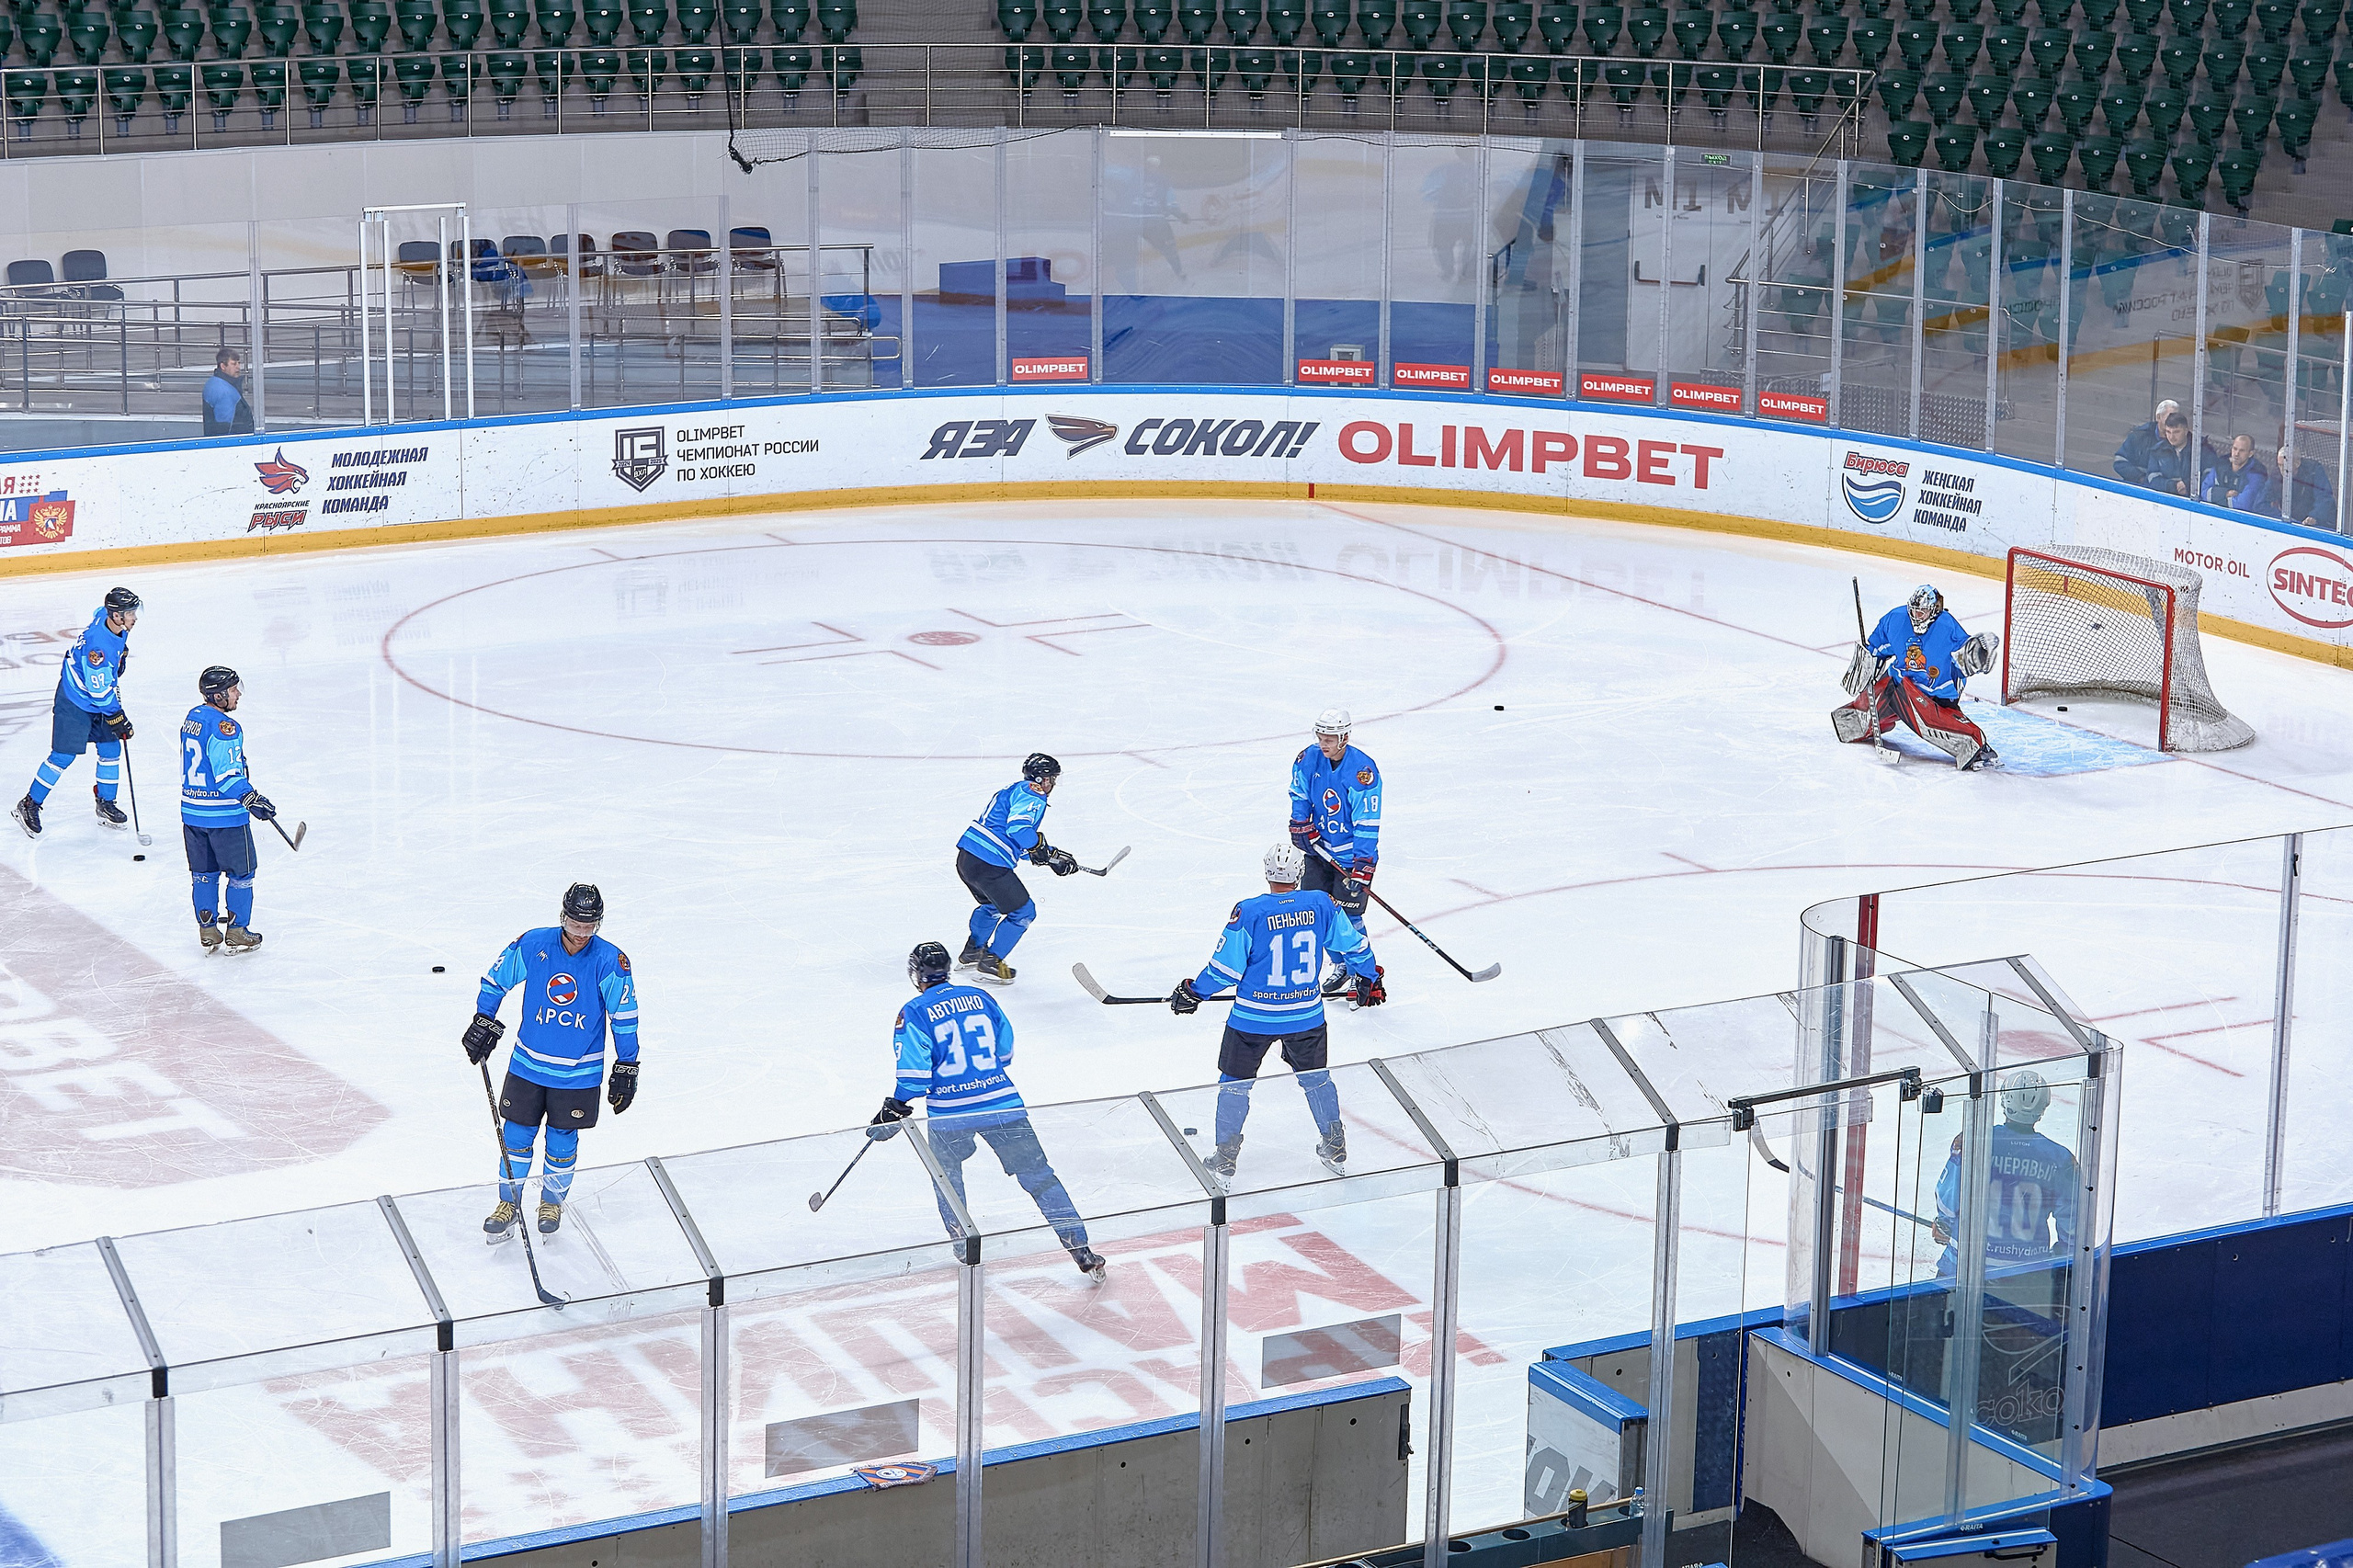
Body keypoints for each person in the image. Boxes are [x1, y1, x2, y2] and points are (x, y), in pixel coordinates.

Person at [870, 941, 1106, 1280]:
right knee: (1040, 1178)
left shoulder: (915, 1011)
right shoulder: (982, 998)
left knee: (947, 1179)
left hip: (952, 1117)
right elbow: (1005, 1051)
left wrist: (896, 1104)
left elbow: (914, 1076)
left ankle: (965, 1249)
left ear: (916, 975)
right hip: (1003, 1106)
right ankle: (1081, 1251)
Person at [1167, 844, 1384, 1187]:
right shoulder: (1321, 904)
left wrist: (1194, 992)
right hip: (1305, 1016)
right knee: (1317, 1079)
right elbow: (1354, 947)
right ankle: (1335, 1145)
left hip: (1253, 1019)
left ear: (1267, 872)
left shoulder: (1249, 912)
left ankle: (1225, 1158)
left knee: (1235, 1085)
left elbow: (1224, 970)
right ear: (1299, 872)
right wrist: (1369, 977)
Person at [463, 882, 641, 1240]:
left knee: (562, 1140)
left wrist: (628, 1064)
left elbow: (624, 1015)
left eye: (588, 926)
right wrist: (484, 1018)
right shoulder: (534, 943)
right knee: (515, 1135)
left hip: (579, 1074)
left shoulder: (611, 961)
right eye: (575, 924)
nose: (581, 933)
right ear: (563, 917)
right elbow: (496, 980)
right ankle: (508, 1203)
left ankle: (551, 1202)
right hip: (528, 1065)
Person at [13, 585, 140, 840]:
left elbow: (97, 612)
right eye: (130, 613)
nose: (134, 617)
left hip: (95, 694)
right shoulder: (98, 650)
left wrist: (121, 655)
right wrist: (118, 718)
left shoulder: (105, 619)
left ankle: (105, 802)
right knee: (63, 755)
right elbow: (101, 694)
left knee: (110, 749)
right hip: (75, 699)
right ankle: (29, 804)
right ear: (115, 615)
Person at [1831, 584, 2002, 771]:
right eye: (1913, 611)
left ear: (1934, 611)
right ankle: (1856, 721)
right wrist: (1867, 664)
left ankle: (1975, 746)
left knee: (1930, 720)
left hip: (1937, 692)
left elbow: (1964, 658)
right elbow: (1876, 648)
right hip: (1900, 681)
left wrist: (1978, 654)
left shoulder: (1947, 626)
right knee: (1873, 702)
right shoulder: (1895, 619)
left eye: (1921, 612)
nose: (1916, 616)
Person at [1930, 1068, 2078, 1277]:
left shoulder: (1973, 1141)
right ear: (2043, 1107)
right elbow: (2073, 1221)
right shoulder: (2061, 1159)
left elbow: (1948, 1201)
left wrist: (1944, 1227)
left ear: (2004, 1100)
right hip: (2026, 1274)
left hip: (1964, 1266)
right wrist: (2062, 1253)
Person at [953, 752, 1077, 986]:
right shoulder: (1033, 792)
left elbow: (1014, 839)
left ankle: (973, 953)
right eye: (1050, 778)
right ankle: (991, 963)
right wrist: (1039, 846)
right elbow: (1019, 830)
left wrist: (1049, 856)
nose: (1051, 784)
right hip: (989, 863)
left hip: (968, 859)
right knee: (1023, 912)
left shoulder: (1013, 790)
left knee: (991, 905)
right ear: (1039, 779)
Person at [178, 665, 278, 953]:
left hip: (193, 814)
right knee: (241, 874)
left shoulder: (193, 718)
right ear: (219, 695)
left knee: (204, 874)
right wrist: (250, 797)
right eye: (234, 690)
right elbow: (227, 775)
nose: (238, 695)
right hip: (225, 817)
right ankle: (237, 930)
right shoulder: (226, 727)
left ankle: (207, 929)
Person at [1289, 709, 1382, 996]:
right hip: (1319, 852)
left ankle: (1362, 975)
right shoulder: (1308, 759)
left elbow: (1367, 821)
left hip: (1351, 858)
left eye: (1329, 737)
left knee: (1350, 919)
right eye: (1321, 736)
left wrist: (1363, 863)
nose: (1323, 742)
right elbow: (1300, 794)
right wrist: (1300, 823)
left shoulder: (1361, 771)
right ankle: (1341, 965)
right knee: (1320, 915)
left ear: (1344, 736)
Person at [2110, 399, 2181, 487]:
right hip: (2135, 489)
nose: (2174, 421)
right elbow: (2120, 463)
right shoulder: (2139, 436)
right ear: (2158, 417)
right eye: (2170, 417)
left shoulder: (2182, 442)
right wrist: (2141, 478)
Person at [2273, 443, 2337, 529]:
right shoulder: (2276, 474)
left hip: (2321, 525)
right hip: (2295, 522)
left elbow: (2324, 498)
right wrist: (2281, 517)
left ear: (2297, 463)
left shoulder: (2314, 471)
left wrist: (2315, 516)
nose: (2282, 470)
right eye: (2279, 465)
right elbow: (2262, 502)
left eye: (2285, 466)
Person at [2201, 432, 2270, 511]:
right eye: (2235, 449)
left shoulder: (2257, 473)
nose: (2236, 454)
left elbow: (2243, 505)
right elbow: (2204, 492)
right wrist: (2225, 493)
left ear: (2250, 454)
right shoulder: (2221, 464)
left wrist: (2216, 497)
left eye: (2242, 451)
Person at [202, 347, 254, 437]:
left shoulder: (214, 382)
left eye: (239, 363)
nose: (238, 367)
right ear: (223, 366)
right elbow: (224, 428)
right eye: (234, 364)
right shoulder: (224, 391)